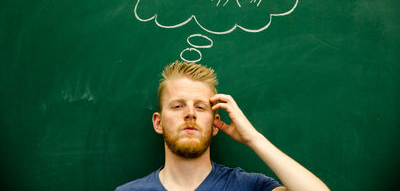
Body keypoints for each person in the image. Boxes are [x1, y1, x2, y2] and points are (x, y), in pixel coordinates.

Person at [115, 61, 329, 191]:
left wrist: (253, 138)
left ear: (216, 124)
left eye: (200, 107)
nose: (190, 113)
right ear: (158, 122)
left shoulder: (247, 186)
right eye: (178, 105)